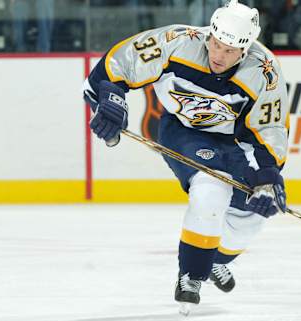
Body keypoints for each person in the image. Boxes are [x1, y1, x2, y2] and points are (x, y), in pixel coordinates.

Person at [82, 0, 289, 314]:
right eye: (216, 44)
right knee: (211, 188)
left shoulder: (264, 72)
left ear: (245, 50)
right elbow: (117, 65)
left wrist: (267, 177)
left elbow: (269, 128)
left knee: (255, 213)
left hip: (233, 141)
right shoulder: (178, 42)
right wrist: (111, 99)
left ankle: (215, 259)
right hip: (183, 132)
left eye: (229, 51)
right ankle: (192, 274)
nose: (218, 55)